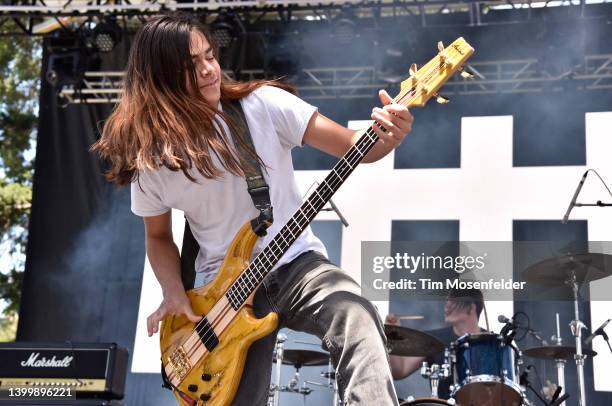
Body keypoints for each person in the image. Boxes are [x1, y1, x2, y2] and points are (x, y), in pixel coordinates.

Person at [92, 13, 414, 406]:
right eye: (192, 65)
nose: (210, 69)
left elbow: (357, 146)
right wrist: (174, 293)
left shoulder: (263, 105)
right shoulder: (153, 161)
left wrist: (388, 134)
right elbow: (158, 237)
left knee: (357, 315)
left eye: (210, 55)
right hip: (222, 294)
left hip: (297, 262)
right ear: (160, 78)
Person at [386, 288, 485, 400]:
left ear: (471, 307)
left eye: (453, 301)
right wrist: (392, 333)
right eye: (447, 300)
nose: (446, 305)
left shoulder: (491, 343)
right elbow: (399, 371)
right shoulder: (434, 339)